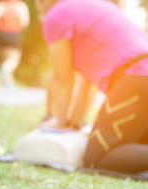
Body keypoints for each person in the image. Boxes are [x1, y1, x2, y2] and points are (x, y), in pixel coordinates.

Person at [35, 0, 148, 174]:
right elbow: (87, 84)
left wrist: (61, 121)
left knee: (98, 157)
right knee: (139, 143)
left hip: (135, 79)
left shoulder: (55, 16)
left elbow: (62, 77)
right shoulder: (93, 6)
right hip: (140, 75)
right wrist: (75, 122)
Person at [0, 0, 30, 87]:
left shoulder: (2, 4)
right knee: (13, 60)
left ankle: (8, 83)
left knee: (5, 59)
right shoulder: (21, 5)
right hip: (14, 33)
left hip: (2, 33)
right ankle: (4, 69)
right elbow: (25, 22)